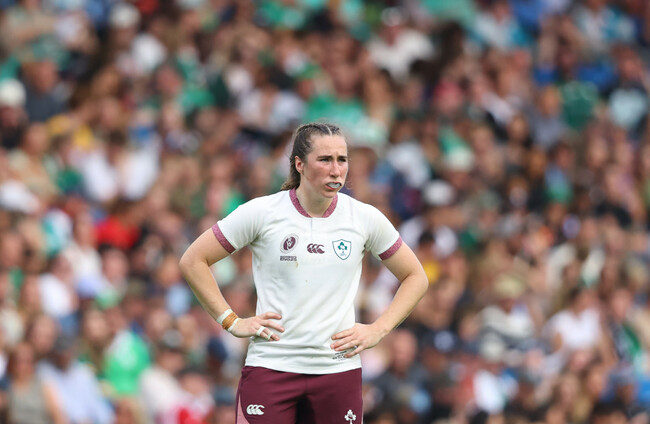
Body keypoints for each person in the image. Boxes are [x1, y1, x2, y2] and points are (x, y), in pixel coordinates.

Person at [179, 122, 428, 423]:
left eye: (342, 159)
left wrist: (379, 329)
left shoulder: (364, 218)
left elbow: (416, 276)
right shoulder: (263, 212)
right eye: (325, 159)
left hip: (337, 370)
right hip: (271, 367)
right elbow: (193, 260)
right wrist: (231, 320)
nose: (336, 170)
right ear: (299, 164)